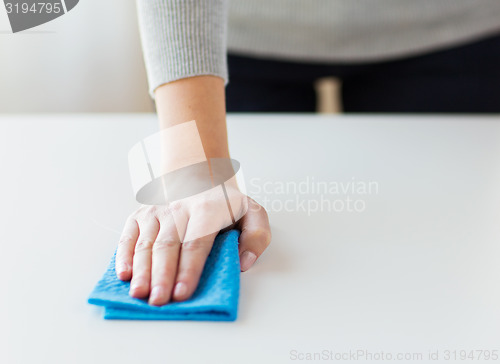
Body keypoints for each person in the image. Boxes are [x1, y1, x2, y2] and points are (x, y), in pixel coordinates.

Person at [114, 0, 500, 306]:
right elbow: (196, 177)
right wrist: (194, 168)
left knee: (448, 259)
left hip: (452, 29)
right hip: (225, 32)